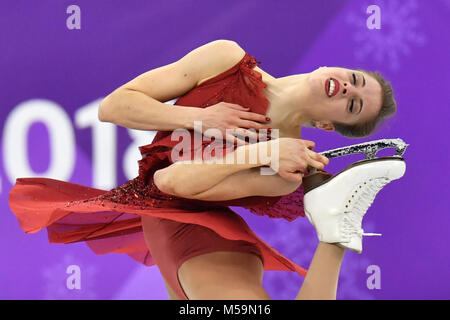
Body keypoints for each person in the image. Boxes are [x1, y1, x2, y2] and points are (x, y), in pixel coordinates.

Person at [9, 39, 398, 300]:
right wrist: (200, 117)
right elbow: (113, 107)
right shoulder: (225, 61)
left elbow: (176, 183)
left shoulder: (284, 168)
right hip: (172, 225)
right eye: (355, 80)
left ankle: (336, 235)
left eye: (353, 105)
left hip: (201, 231)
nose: (349, 89)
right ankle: (336, 234)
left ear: (328, 127)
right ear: (335, 67)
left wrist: (264, 153)